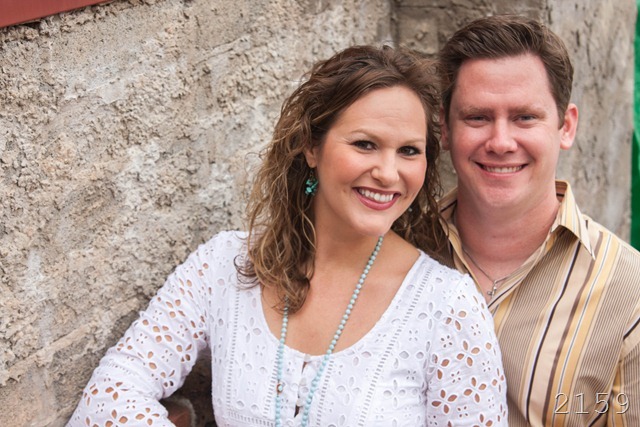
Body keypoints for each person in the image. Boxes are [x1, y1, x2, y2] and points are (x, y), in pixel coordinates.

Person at [67, 45, 507, 426]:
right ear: (312, 147)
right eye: (365, 144)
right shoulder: (225, 266)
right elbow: (112, 390)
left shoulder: (447, 307)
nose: (389, 173)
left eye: (409, 151)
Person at [436, 14, 640, 427]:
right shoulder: (392, 250)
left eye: (525, 117)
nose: (500, 142)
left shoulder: (630, 293)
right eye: (477, 117)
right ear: (444, 128)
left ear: (566, 127)